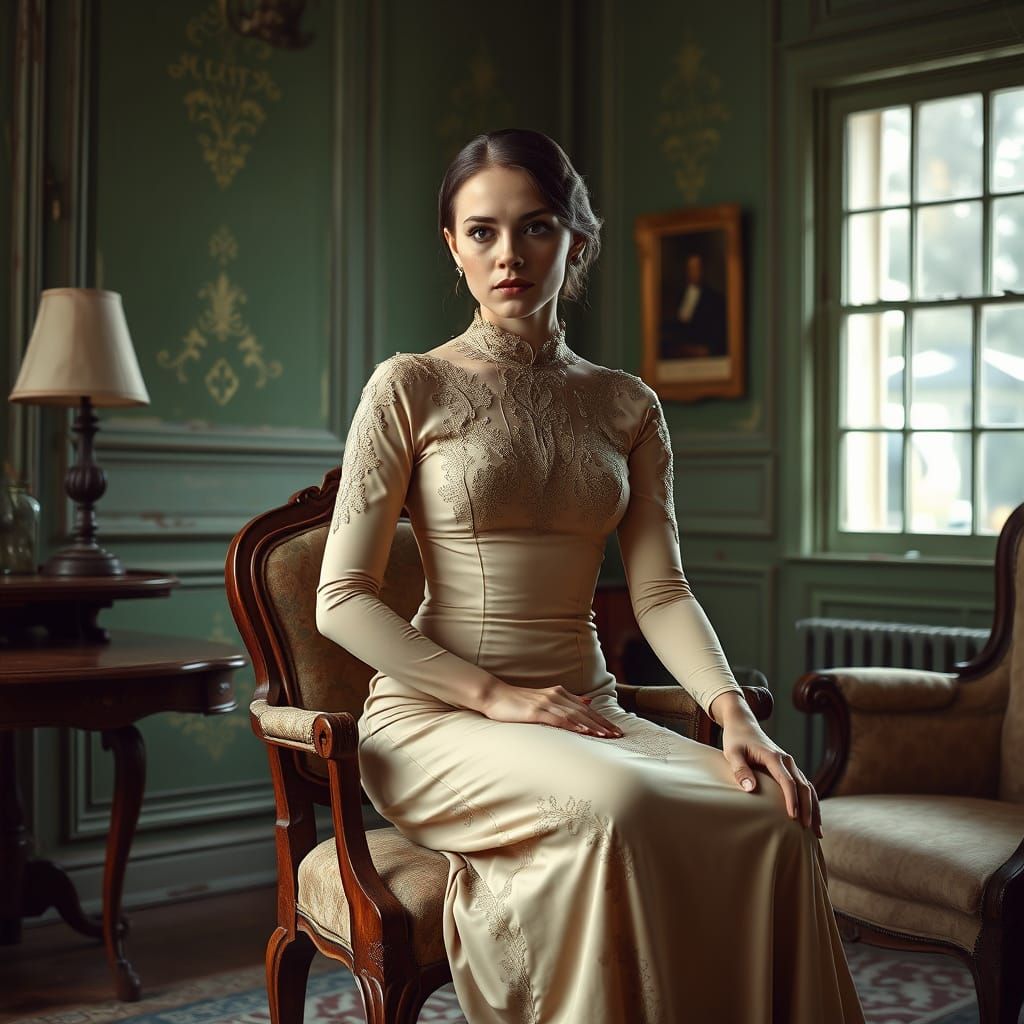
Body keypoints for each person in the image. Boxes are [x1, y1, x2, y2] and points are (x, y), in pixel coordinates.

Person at [316, 128, 865, 1024]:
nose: (509, 256)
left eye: (534, 228)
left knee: (773, 812)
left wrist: (733, 718)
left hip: (586, 707)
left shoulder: (625, 403)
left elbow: (661, 592)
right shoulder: (408, 385)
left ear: (577, 237)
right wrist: (494, 696)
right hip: (436, 718)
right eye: (482, 232)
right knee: (613, 808)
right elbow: (340, 600)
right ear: (451, 247)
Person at [659, 252, 729, 359]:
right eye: (691, 268)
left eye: (697, 268)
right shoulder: (677, 296)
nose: (694, 272)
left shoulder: (714, 298)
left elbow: (717, 331)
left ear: (703, 270)